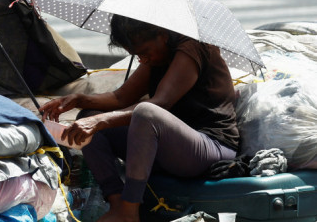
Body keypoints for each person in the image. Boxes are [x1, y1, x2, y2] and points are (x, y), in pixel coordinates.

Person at [39, 15, 239, 222]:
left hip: (209, 148)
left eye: (144, 53)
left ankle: (129, 209)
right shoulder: (159, 53)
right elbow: (121, 97)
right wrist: (80, 100)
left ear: (162, 35)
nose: (143, 60)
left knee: (144, 113)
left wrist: (101, 121)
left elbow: (160, 104)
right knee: (88, 117)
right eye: (137, 55)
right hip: (169, 148)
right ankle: (116, 204)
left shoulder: (193, 46)